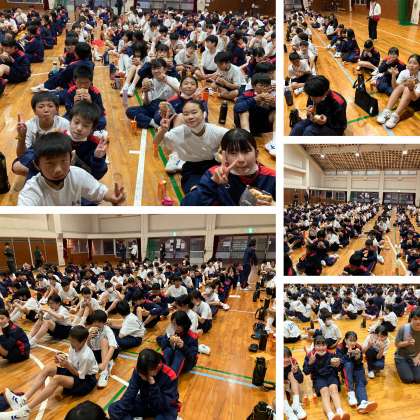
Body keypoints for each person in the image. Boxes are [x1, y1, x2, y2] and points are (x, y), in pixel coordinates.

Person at [2, 326, 98, 419]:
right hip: (73, 371)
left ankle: (25, 411)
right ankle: (23, 399)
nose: (71, 343)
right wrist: (60, 358)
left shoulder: (86, 356)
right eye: (70, 340)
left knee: (57, 379)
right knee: (47, 368)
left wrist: (67, 365)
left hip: (85, 381)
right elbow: (72, 362)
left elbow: (80, 375)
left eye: (73, 342)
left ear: (83, 341)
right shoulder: (74, 346)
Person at [18, 132, 126, 206]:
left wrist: (113, 196)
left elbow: (101, 191)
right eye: (50, 163)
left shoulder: (77, 174)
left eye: (64, 161)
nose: (58, 169)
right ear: (37, 165)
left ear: (71, 158)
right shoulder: (31, 191)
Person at [181, 128, 276, 206]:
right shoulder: (214, 175)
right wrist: (211, 183)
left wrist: (275, 207)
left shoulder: (272, 177)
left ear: (256, 153)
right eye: (233, 153)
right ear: (225, 156)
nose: (241, 159)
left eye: (246, 151)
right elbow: (186, 206)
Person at [154, 100, 228, 194]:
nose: (190, 117)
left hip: (213, 165)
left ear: (204, 114)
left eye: (194, 112)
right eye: (186, 114)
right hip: (192, 168)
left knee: (220, 191)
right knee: (196, 193)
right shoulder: (180, 131)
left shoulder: (215, 130)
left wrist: (222, 154)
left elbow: (235, 137)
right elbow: (156, 141)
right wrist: (163, 130)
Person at [108, 349, 179, 420]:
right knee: (113, 408)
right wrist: (121, 407)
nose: (142, 375)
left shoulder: (170, 375)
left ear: (158, 366)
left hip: (164, 406)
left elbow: (161, 406)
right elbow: (130, 393)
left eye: (145, 374)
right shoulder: (140, 370)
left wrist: (152, 384)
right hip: (144, 402)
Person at [336, 331, 378, 414]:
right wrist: (347, 355)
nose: (353, 343)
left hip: (357, 369)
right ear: (345, 340)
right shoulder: (339, 347)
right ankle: (351, 393)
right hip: (347, 372)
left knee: (360, 382)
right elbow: (339, 364)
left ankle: (363, 402)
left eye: (354, 340)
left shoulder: (358, 346)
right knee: (348, 364)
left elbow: (360, 363)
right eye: (350, 340)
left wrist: (358, 357)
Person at [377, 54, 420, 129]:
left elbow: (414, 98)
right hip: (407, 97)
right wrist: (393, 76)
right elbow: (395, 88)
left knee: (407, 88)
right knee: (401, 86)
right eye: (410, 62)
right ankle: (387, 111)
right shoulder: (404, 72)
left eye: (415, 63)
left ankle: (396, 116)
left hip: (417, 101)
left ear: (419, 66)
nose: (411, 65)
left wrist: (411, 89)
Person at [156, 311, 198, 376]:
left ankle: (172, 377)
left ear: (184, 324)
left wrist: (183, 347)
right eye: (174, 324)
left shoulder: (192, 337)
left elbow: (192, 358)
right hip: (172, 359)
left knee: (179, 352)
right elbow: (163, 346)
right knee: (167, 350)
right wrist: (168, 340)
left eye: (179, 325)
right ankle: (163, 372)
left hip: (186, 363)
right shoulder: (171, 330)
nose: (176, 327)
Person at [394, 306, 420, 384]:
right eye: (415, 319)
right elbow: (397, 344)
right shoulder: (404, 328)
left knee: (418, 379)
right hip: (402, 357)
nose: (418, 322)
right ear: (411, 319)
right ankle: (398, 363)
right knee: (408, 379)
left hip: (415, 356)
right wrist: (407, 343)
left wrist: (418, 357)